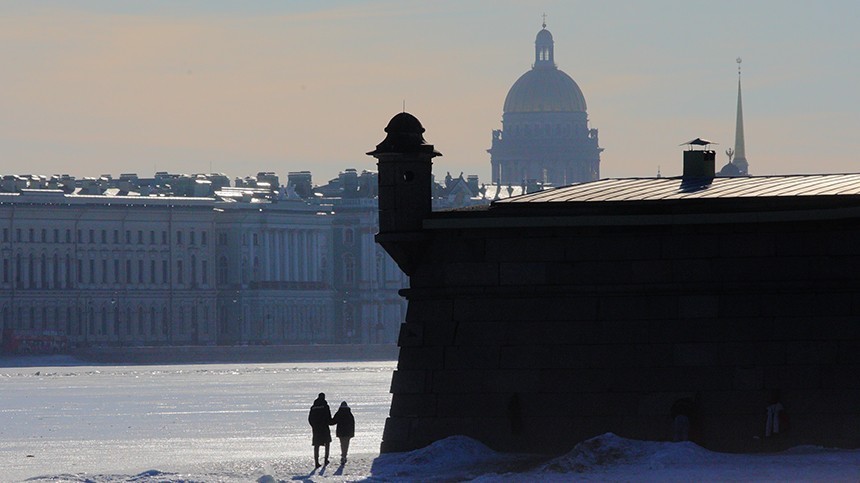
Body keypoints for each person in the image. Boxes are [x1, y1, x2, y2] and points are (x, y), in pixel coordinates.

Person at [308, 393, 332, 467]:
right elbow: (328, 417)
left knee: (316, 445)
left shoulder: (313, 407)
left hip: (316, 429)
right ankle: (326, 460)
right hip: (324, 428)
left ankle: (316, 462)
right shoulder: (325, 406)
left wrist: (314, 426)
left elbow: (310, 418)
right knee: (327, 443)